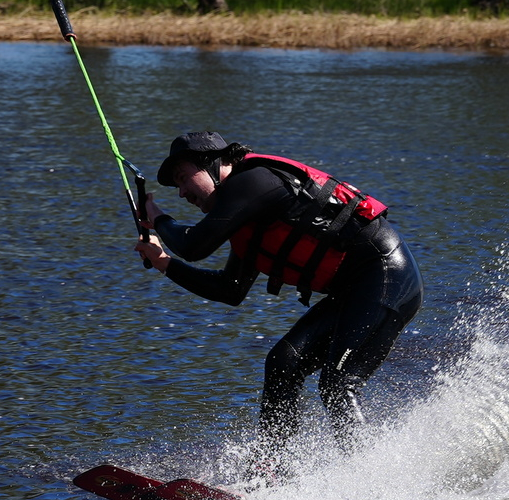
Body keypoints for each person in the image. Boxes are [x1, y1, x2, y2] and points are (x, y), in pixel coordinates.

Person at [134, 131, 424, 480]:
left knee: (338, 382)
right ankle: (273, 471)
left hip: (387, 277)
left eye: (183, 178)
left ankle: (373, 484)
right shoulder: (248, 215)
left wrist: (156, 215)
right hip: (354, 290)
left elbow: (194, 244)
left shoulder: (255, 181)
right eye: (176, 187)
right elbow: (230, 290)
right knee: (283, 362)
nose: (182, 192)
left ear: (214, 162)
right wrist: (165, 262)